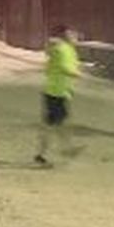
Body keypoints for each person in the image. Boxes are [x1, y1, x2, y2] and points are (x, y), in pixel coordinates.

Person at [36, 25, 81, 167]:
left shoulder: (65, 49)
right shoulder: (62, 50)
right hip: (56, 93)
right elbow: (64, 68)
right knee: (60, 124)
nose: (76, 37)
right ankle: (67, 149)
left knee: (52, 124)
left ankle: (43, 154)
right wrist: (76, 74)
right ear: (67, 37)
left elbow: (49, 68)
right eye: (73, 35)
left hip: (57, 91)